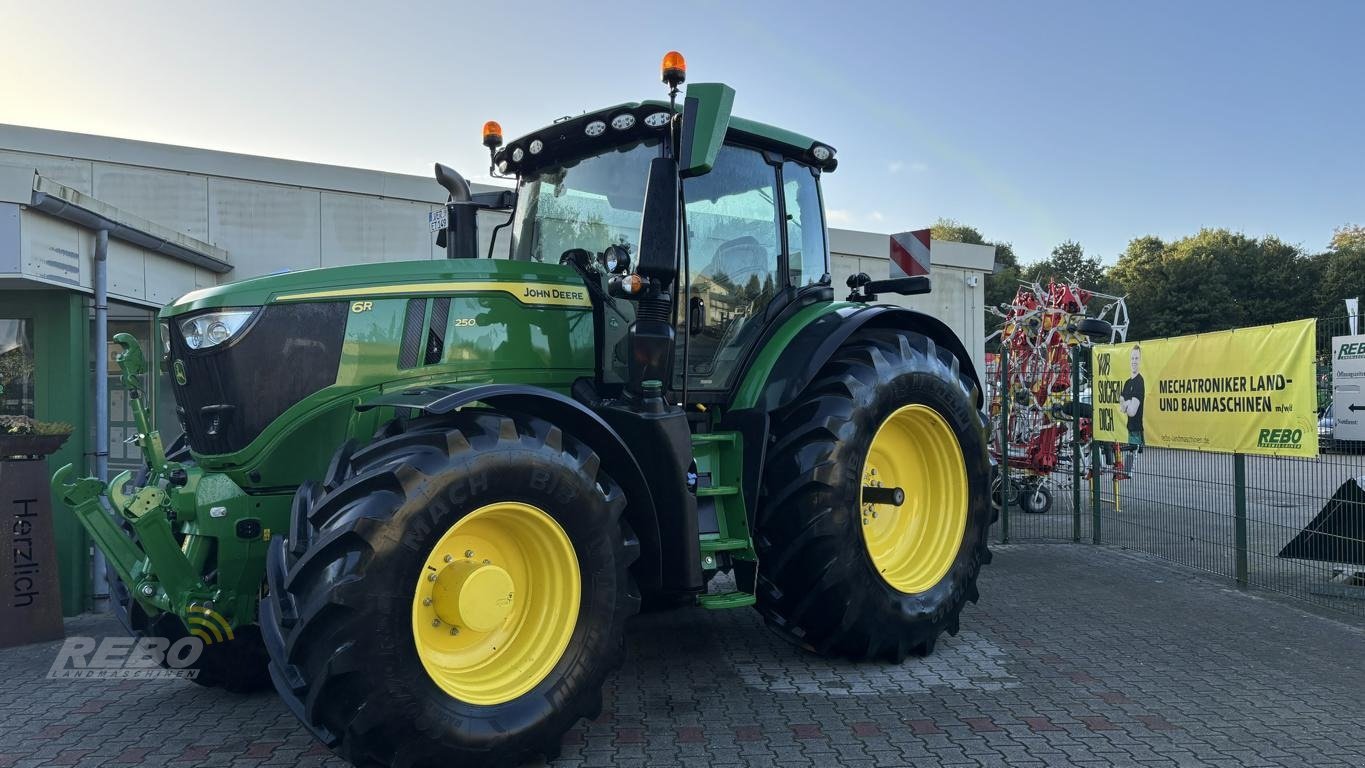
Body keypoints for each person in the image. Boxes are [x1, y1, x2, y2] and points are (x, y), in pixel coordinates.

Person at [1120, 345, 1144, 474]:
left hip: (1136, 429)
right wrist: (1127, 402)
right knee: (1127, 454)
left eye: (1137, 358)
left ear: (1140, 360)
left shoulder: (1139, 382)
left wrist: (1126, 402)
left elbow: (1131, 411)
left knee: (1132, 453)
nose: (1134, 361)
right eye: (1132, 358)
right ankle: (1126, 472)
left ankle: (1128, 472)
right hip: (1129, 427)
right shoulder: (1127, 382)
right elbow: (1122, 407)